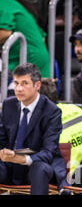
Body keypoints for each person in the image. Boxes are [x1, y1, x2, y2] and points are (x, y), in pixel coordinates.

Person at [0, 63, 66, 194]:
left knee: (40, 169)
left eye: (24, 83)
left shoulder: (51, 111)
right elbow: (1, 140)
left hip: (35, 166)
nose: (18, 88)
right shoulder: (9, 105)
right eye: (16, 83)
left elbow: (48, 152)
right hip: (9, 166)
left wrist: (22, 159)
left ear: (37, 85)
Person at [0, 0, 51, 78]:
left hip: (27, 64)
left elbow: (4, 33)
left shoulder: (3, 1)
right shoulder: (16, 3)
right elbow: (42, 36)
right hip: (39, 63)